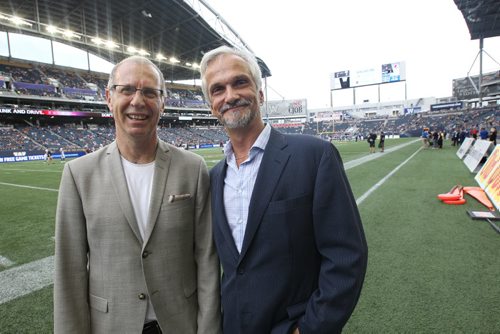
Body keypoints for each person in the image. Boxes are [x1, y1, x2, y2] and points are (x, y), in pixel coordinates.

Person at [200, 46, 367, 334]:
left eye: (240, 82)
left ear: (260, 92)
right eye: (218, 89)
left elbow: (346, 255)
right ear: (211, 104)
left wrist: (312, 328)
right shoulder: (213, 177)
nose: (230, 95)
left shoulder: (315, 155)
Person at [54, 56, 221, 334]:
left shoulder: (192, 168)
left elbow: (206, 259)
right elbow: (69, 272)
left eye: (149, 92)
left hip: (181, 324)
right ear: (109, 97)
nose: (138, 101)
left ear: (163, 102)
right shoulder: (78, 174)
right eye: (127, 89)